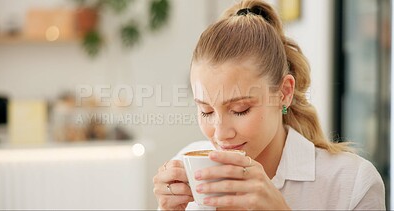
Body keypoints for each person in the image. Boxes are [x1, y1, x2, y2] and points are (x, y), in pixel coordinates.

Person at [152, 0, 386, 210]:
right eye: (206, 111)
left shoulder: (352, 183)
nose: (220, 134)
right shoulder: (187, 164)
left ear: (284, 93)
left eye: (240, 109)